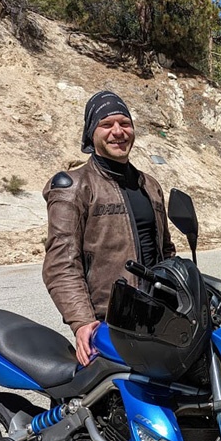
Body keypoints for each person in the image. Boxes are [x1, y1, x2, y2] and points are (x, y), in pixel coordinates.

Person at [42, 90, 175, 366]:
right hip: (108, 324)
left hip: (159, 319)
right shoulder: (74, 187)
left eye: (125, 123)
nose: (118, 131)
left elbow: (166, 252)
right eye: (106, 124)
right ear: (92, 134)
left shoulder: (149, 186)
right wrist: (82, 322)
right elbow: (61, 264)